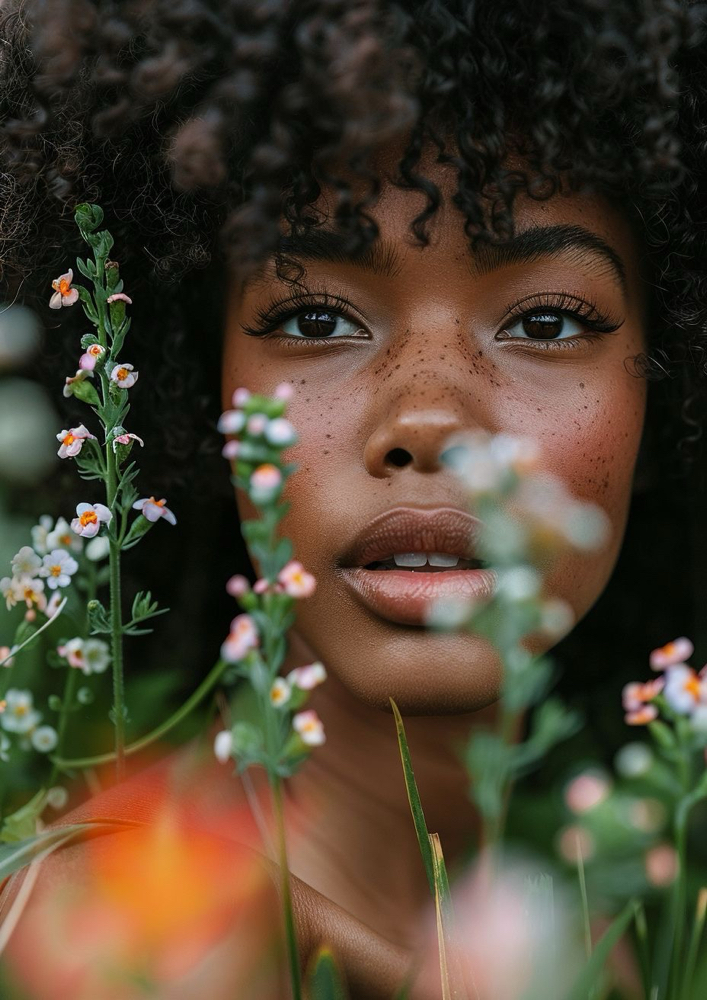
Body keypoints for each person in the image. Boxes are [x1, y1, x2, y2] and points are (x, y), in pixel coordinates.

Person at [0, 0, 705, 996]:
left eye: (545, 321)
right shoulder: (91, 941)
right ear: (196, 391)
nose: (429, 421)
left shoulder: (645, 928)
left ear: (666, 396)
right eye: (315, 314)